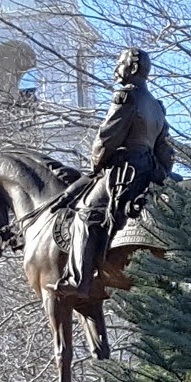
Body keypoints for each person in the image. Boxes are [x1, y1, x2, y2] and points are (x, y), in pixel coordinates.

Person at [50, 48, 173, 297]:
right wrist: (161, 173)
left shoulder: (126, 97)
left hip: (124, 170)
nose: (116, 70)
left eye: (120, 64)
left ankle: (78, 281)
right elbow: (165, 149)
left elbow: (106, 139)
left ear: (132, 68)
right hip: (150, 169)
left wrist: (97, 164)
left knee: (85, 213)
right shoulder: (157, 106)